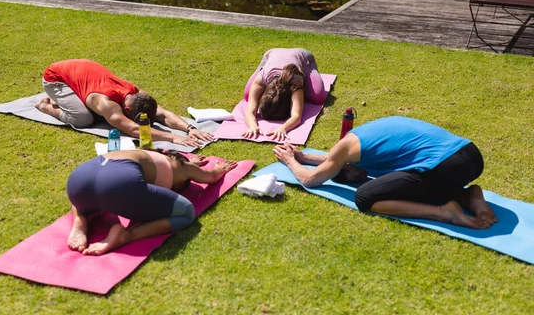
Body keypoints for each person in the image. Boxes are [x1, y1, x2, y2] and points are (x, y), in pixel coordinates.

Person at [273, 116, 498, 229]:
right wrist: (303, 157)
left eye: (354, 176)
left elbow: (310, 179)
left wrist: (290, 160)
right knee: (411, 180)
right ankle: (467, 196)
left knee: (364, 196)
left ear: (347, 165)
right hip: (471, 157)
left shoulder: (344, 149)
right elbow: (331, 163)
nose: (363, 177)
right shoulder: (365, 136)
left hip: (447, 167)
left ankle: (444, 212)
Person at [66, 149, 238, 255]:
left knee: (97, 195)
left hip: (78, 181)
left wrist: (189, 163)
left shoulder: (144, 152)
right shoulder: (183, 167)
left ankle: (80, 220)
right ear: (179, 185)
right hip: (117, 185)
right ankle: (127, 235)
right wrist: (219, 168)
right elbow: (211, 177)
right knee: (187, 211)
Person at [35, 59, 213, 147]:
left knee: (92, 114)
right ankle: (46, 105)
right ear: (126, 109)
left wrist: (190, 129)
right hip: (56, 78)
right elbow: (134, 130)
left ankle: (65, 99)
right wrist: (173, 137)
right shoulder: (107, 104)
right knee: (84, 119)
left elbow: (162, 113)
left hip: (80, 70)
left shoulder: (136, 93)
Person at [242, 48, 328, 141]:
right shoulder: (260, 81)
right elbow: (250, 112)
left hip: (303, 55)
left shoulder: (295, 82)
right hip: (271, 54)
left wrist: (283, 128)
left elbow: (296, 116)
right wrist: (253, 126)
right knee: (248, 95)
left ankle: (307, 68)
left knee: (318, 96)